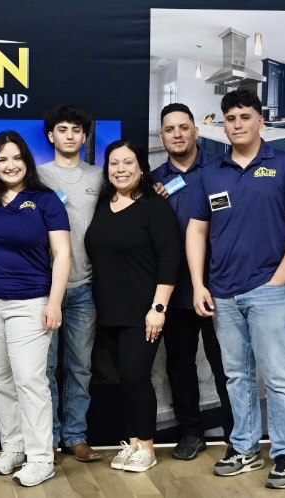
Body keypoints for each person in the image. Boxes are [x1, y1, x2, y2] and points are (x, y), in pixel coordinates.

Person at [186, 88, 285, 489]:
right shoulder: (211, 172)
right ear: (222, 125)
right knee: (237, 376)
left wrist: (279, 278)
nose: (237, 124)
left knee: (277, 377)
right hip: (222, 293)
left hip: (269, 292)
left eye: (245, 116)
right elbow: (196, 228)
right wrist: (198, 285)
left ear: (261, 121)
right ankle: (243, 448)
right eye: (230, 118)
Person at [0, 130, 71, 487]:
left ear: (26, 161)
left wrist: (55, 301)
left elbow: (63, 254)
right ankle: (13, 448)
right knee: (0, 379)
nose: (10, 165)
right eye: (2, 159)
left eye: (16, 158)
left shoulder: (45, 200)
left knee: (30, 380)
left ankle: (41, 457)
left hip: (31, 302)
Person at [84, 139, 180, 473]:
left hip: (144, 310)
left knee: (137, 376)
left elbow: (170, 258)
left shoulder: (155, 207)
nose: (121, 170)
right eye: (114, 163)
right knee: (125, 378)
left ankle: (148, 448)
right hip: (109, 309)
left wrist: (159, 308)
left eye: (128, 163)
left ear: (141, 167)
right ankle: (133, 443)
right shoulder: (101, 205)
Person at [151, 103, 233, 460]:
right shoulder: (152, 180)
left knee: (228, 363)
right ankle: (190, 431)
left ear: (196, 131)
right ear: (162, 136)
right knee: (179, 365)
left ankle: (238, 434)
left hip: (219, 286)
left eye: (184, 127)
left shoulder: (221, 169)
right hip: (174, 288)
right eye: (170, 129)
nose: (178, 134)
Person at [41, 105, 103, 463]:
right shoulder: (34, 175)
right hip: (44, 291)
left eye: (75, 130)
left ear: (84, 136)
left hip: (85, 287)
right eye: (61, 129)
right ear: (51, 136)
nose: (68, 135)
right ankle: (46, 437)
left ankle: (76, 436)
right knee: (44, 369)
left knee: (80, 366)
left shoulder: (100, 177)